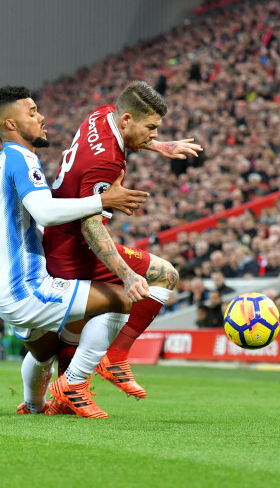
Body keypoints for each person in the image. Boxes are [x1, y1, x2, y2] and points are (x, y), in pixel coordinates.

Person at [0, 85, 151, 418]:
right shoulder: (21, 159)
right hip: (23, 288)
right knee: (121, 298)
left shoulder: (0, 162)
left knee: (44, 352)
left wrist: (153, 142)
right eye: (31, 112)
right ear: (11, 125)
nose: (41, 117)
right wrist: (102, 200)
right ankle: (73, 384)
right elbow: (44, 212)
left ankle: (32, 405)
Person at [43, 81, 202, 415]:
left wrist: (158, 147)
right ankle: (108, 361)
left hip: (57, 237)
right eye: (152, 128)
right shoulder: (107, 163)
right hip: (74, 246)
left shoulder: (100, 116)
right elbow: (90, 225)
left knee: (82, 323)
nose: (154, 133)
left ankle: (64, 395)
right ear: (128, 118)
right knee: (162, 277)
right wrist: (127, 275)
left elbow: (120, 141)